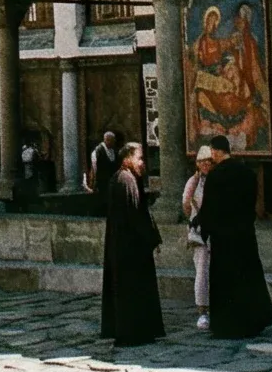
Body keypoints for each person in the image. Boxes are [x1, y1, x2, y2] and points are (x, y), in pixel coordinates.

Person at [197, 134, 272, 339]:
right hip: (244, 234)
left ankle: (227, 324)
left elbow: (209, 207)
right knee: (247, 275)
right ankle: (253, 321)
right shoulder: (246, 172)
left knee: (225, 279)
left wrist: (205, 230)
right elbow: (252, 201)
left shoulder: (215, 175)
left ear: (215, 151)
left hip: (223, 238)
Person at [100, 141, 166, 346]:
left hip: (126, 247)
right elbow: (135, 215)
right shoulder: (126, 181)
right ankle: (134, 333)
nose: (142, 163)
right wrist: (151, 238)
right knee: (132, 291)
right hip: (130, 249)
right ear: (128, 158)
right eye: (139, 158)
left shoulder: (123, 179)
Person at [181, 142, 212, 331]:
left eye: (209, 161)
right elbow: (185, 204)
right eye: (202, 161)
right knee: (201, 271)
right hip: (200, 230)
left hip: (214, 230)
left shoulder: (215, 179)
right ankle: (202, 311)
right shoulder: (194, 181)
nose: (206, 164)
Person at [87, 131, 121, 210]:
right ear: (107, 140)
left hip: (112, 180)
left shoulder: (113, 151)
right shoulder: (98, 151)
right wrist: (94, 181)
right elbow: (94, 167)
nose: (114, 142)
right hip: (102, 180)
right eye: (112, 141)